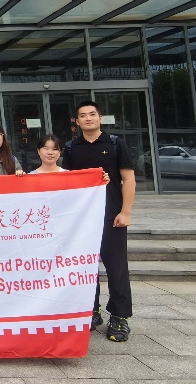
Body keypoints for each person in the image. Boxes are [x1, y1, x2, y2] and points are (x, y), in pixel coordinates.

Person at [61, 101, 136, 342]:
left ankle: (119, 317)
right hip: (83, 220)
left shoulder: (114, 143)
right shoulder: (71, 147)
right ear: (77, 122)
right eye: (83, 115)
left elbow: (129, 179)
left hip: (111, 216)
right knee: (85, 267)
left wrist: (125, 212)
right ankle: (91, 311)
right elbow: (67, 182)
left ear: (100, 118)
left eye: (92, 114)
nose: (88, 118)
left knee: (116, 268)